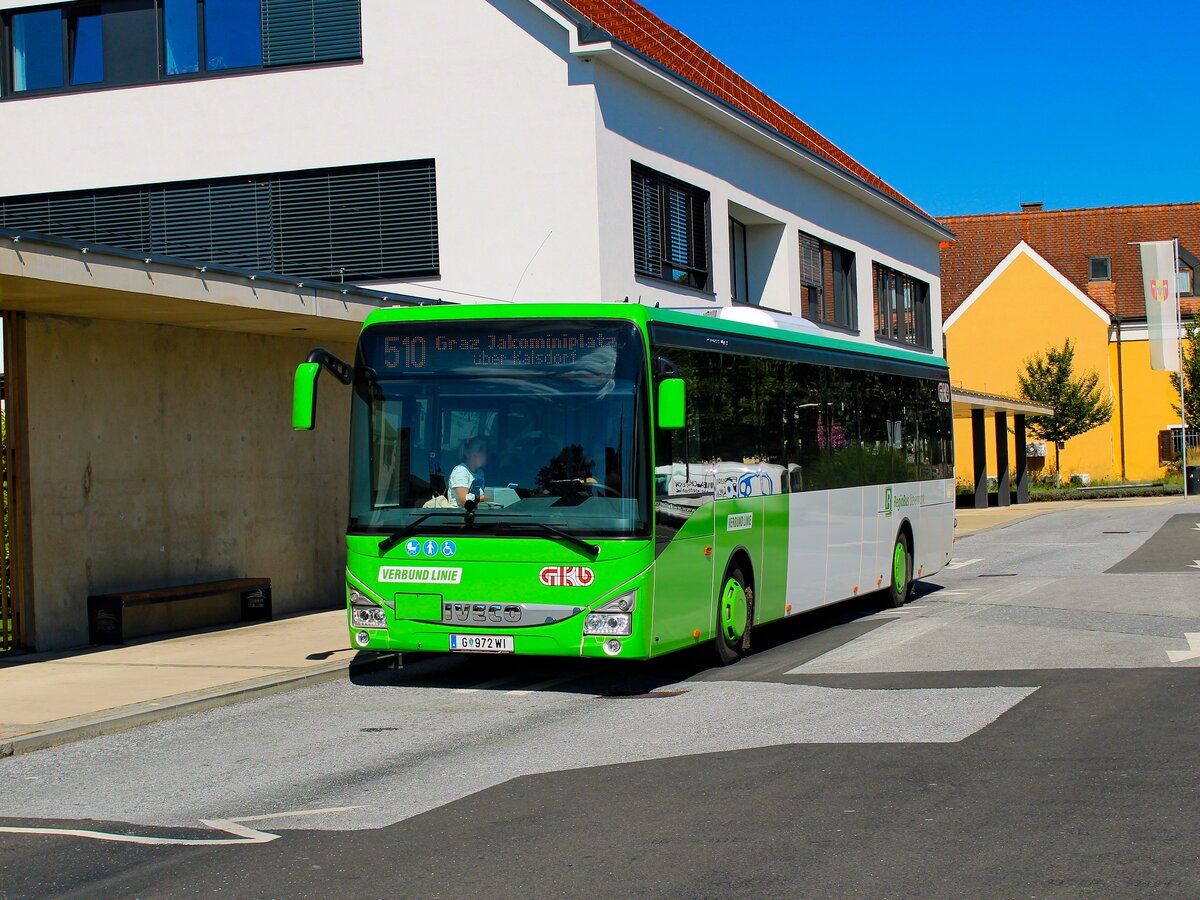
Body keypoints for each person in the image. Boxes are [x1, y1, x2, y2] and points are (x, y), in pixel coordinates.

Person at [447, 436, 489, 506]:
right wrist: (490, 497)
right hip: (459, 515)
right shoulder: (460, 471)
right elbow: (466, 503)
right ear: (471, 454)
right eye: (482, 450)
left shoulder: (480, 473)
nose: (486, 454)